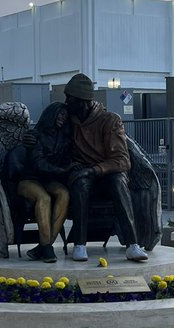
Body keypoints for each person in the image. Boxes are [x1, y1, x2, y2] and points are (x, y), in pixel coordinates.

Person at [61, 73, 149, 263]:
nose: (66, 102)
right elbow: (47, 135)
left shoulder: (110, 120)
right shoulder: (68, 119)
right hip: (83, 175)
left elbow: (122, 161)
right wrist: (33, 138)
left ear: (83, 101)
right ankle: (79, 244)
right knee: (80, 182)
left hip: (108, 173)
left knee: (117, 181)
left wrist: (93, 170)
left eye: (70, 98)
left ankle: (132, 245)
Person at [5, 103, 72, 264]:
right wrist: (64, 170)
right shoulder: (36, 136)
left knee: (64, 193)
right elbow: (38, 164)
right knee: (44, 198)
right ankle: (47, 248)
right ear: (51, 115)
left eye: (65, 116)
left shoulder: (64, 138)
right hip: (28, 180)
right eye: (60, 115)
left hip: (48, 179)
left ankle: (44, 245)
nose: (63, 118)